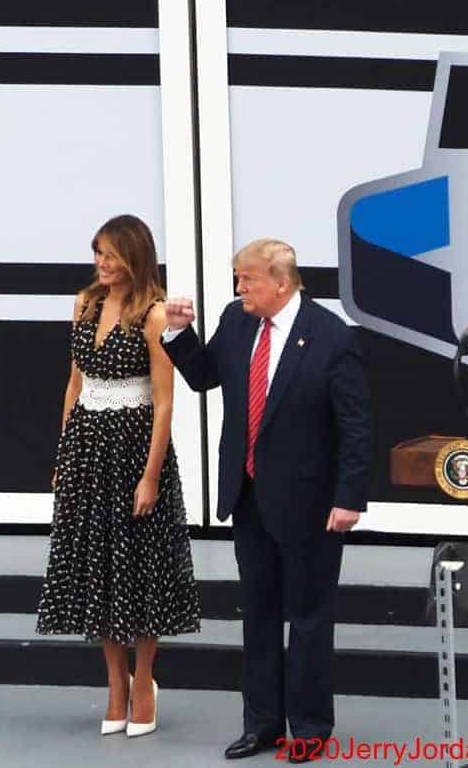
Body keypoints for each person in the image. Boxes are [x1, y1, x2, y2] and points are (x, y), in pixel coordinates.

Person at [162, 238, 372, 762]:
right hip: (249, 495)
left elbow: (356, 426)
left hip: (311, 502)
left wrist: (349, 497)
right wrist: (178, 333)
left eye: (247, 279)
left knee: (308, 616)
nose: (239, 288)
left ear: (281, 282)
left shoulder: (331, 337)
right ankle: (262, 724)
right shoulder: (237, 321)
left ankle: (309, 728)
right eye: (238, 278)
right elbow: (204, 375)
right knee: (258, 613)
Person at [36, 214, 200, 739]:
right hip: (87, 448)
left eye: (110, 254)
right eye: (97, 253)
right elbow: (74, 384)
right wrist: (65, 453)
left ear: (134, 257)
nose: (101, 263)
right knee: (99, 567)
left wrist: (150, 477)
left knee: (142, 567)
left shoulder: (155, 314)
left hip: (135, 449)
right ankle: (115, 683)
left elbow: (164, 402)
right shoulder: (84, 304)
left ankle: (144, 680)